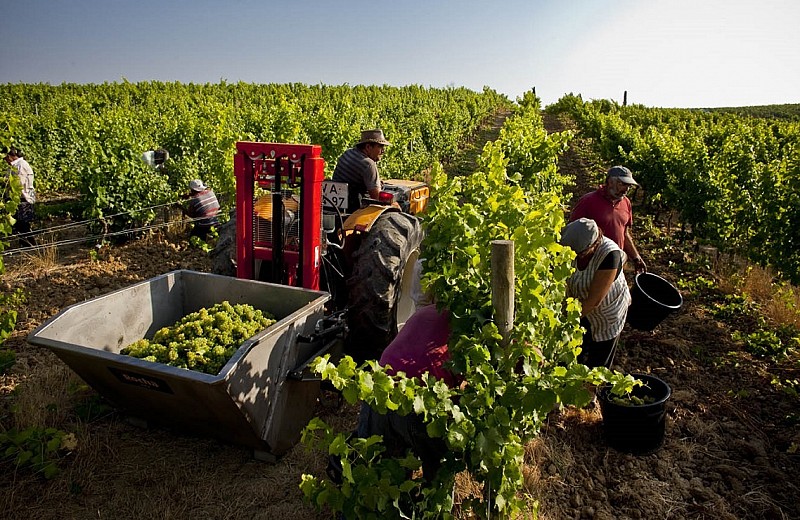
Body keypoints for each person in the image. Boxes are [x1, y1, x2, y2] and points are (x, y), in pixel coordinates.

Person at [353, 304, 456, 482]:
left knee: (380, 475)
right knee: (439, 474)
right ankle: (432, 502)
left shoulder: (426, 311)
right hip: (417, 404)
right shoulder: (471, 333)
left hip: (378, 391)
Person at [561, 218, 631, 369]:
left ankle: (593, 390)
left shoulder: (610, 255)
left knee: (598, 360)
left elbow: (594, 301)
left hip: (607, 312)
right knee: (574, 353)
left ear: (593, 245)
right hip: (579, 307)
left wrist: (563, 324)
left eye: (579, 254)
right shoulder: (570, 243)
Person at [570, 165, 646, 274]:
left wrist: (636, 257)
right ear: (610, 182)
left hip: (615, 263)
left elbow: (624, 234)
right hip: (591, 265)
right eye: (623, 184)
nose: (626, 189)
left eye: (629, 186)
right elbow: (573, 231)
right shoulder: (588, 201)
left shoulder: (626, 203)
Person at [332, 129, 391, 211]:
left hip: (335, 205)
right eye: (380, 146)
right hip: (353, 208)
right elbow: (377, 197)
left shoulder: (347, 153)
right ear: (368, 147)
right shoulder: (368, 164)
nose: (383, 151)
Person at [4, 147, 36, 246]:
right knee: (21, 225)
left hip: (23, 198)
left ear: (10, 156)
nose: (5, 160)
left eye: (6, 158)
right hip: (19, 198)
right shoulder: (16, 165)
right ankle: (26, 244)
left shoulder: (20, 166)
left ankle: (30, 245)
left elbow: (19, 185)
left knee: (23, 224)